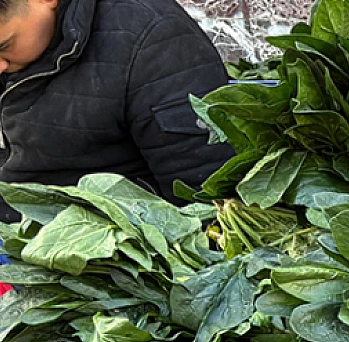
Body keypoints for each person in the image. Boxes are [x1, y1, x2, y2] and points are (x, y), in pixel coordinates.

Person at [0, 0, 233, 220]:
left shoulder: (153, 39)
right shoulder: (24, 45)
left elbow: (205, 201)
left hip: (105, 246)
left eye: (5, 46)